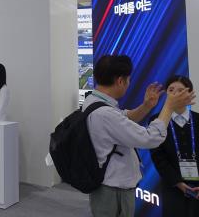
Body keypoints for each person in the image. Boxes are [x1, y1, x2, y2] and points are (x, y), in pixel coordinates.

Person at [83, 55, 194, 217]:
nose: (129, 84)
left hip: (111, 184)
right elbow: (150, 138)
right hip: (113, 188)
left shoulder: (96, 102)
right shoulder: (105, 114)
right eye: (128, 80)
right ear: (120, 81)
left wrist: (147, 105)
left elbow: (124, 118)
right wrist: (168, 107)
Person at [150, 76, 199, 216]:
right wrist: (178, 183)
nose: (175, 94)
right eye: (171, 90)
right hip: (172, 186)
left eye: (180, 90)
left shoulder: (197, 119)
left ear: (189, 93)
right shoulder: (157, 121)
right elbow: (158, 157)